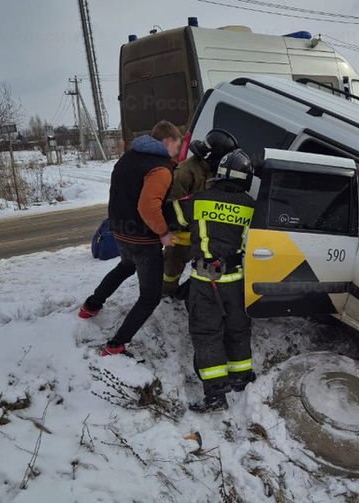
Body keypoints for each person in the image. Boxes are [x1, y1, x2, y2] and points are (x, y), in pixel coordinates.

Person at [78, 121, 182, 355]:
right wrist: (164, 233)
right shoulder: (160, 169)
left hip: (119, 230)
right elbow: (148, 207)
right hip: (143, 239)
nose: (178, 150)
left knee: (125, 266)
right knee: (150, 297)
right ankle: (116, 345)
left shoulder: (129, 158)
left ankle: (91, 305)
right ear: (167, 142)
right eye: (178, 144)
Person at [187, 149, 255, 413]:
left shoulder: (198, 200)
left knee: (206, 334)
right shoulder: (251, 206)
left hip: (205, 281)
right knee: (238, 329)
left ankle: (215, 396)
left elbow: (177, 219)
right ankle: (241, 378)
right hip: (236, 282)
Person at [162, 129, 239, 296]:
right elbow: (170, 208)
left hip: (204, 233)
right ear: (213, 157)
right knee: (172, 265)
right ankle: (166, 291)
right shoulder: (185, 173)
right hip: (182, 233)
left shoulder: (214, 170)